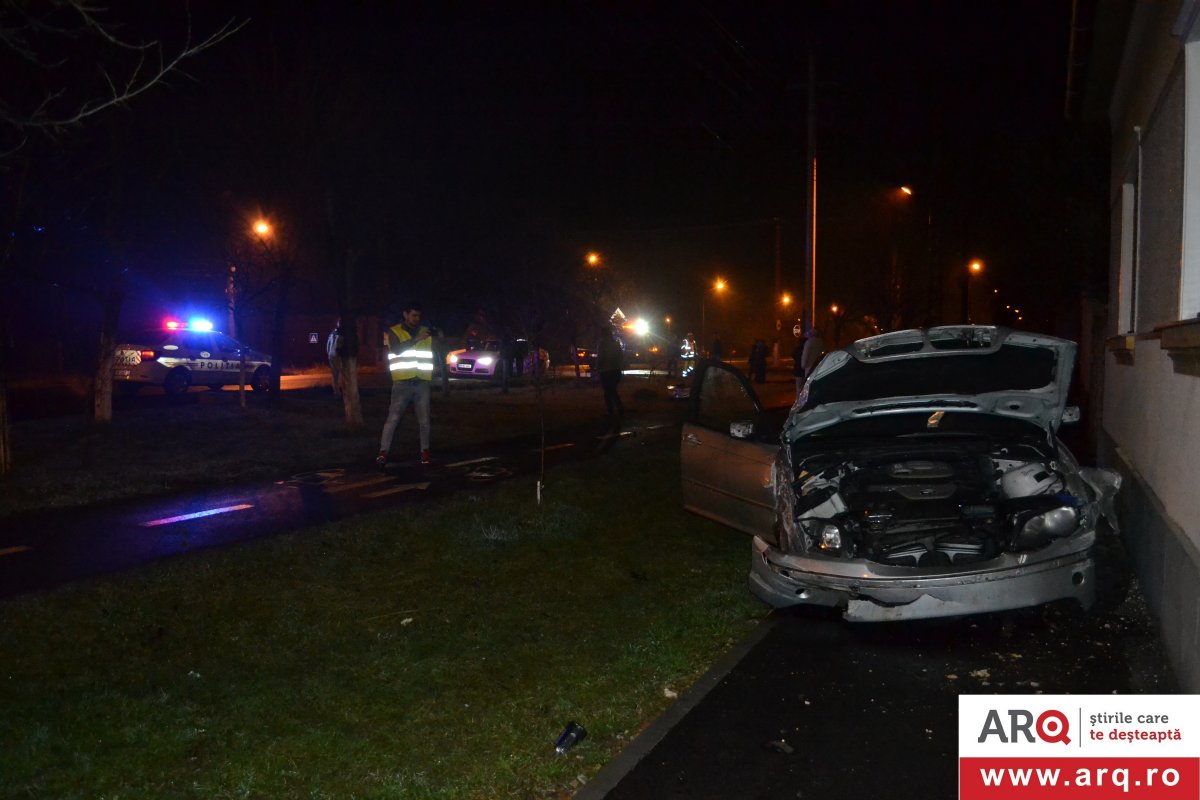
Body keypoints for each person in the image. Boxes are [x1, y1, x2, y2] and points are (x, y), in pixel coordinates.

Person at [377, 302, 436, 466]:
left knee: (424, 420)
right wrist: (416, 339)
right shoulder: (395, 331)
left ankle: (425, 452)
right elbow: (396, 350)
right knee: (393, 418)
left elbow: (438, 348)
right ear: (405, 314)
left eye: (418, 316)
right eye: (413, 315)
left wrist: (440, 336)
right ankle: (383, 452)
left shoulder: (426, 332)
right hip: (402, 381)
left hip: (422, 381)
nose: (417, 318)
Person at [597, 326, 625, 415]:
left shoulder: (602, 345)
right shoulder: (616, 344)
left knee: (607, 392)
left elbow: (600, 358)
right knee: (613, 390)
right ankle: (619, 408)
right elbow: (621, 356)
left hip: (606, 371)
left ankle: (611, 410)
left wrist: (597, 367)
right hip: (616, 370)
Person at [326, 319, 344, 397]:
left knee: (334, 373)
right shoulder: (342, 334)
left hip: (331, 355)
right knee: (339, 373)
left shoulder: (332, 333)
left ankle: (335, 390)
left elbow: (327, 345)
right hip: (337, 355)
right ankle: (338, 391)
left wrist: (328, 354)